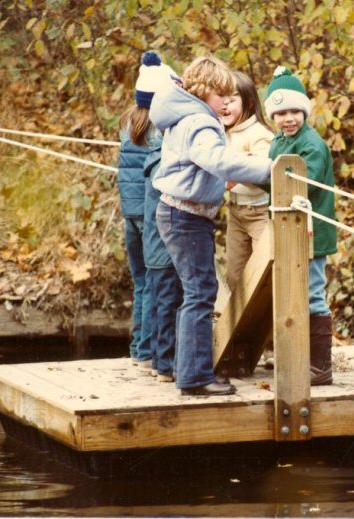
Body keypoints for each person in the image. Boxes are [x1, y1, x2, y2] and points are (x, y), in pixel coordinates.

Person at [150, 55, 272, 396]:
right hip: (186, 217)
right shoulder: (200, 122)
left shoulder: (184, 115)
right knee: (200, 293)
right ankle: (194, 376)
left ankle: (188, 368)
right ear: (206, 93)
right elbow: (216, 160)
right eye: (223, 96)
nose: (226, 102)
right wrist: (267, 169)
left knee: (196, 291)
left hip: (180, 213)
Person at [265, 66, 338, 386]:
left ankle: (320, 367)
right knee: (289, 292)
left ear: (305, 111)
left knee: (312, 293)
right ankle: (296, 356)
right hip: (287, 231)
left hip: (310, 233)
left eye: (295, 111)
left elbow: (300, 184)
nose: (289, 118)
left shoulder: (312, 144)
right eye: (281, 113)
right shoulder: (279, 142)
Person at [138, 53, 184, 383]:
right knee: (167, 302)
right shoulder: (160, 161)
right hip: (162, 245)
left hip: (157, 243)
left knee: (160, 302)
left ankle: (157, 359)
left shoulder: (155, 148)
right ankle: (164, 363)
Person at [117, 51, 164, 368]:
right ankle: (147, 351)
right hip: (148, 216)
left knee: (140, 283)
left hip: (128, 216)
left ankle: (137, 348)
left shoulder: (126, 123)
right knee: (152, 283)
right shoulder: (158, 129)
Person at [220, 71, 274, 290]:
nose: (225, 105)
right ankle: (238, 322)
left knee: (262, 272)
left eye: (231, 100)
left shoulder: (260, 134)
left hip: (259, 212)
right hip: (235, 211)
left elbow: (262, 172)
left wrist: (232, 176)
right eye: (221, 99)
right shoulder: (222, 133)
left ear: (249, 101)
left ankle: (264, 321)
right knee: (235, 274)